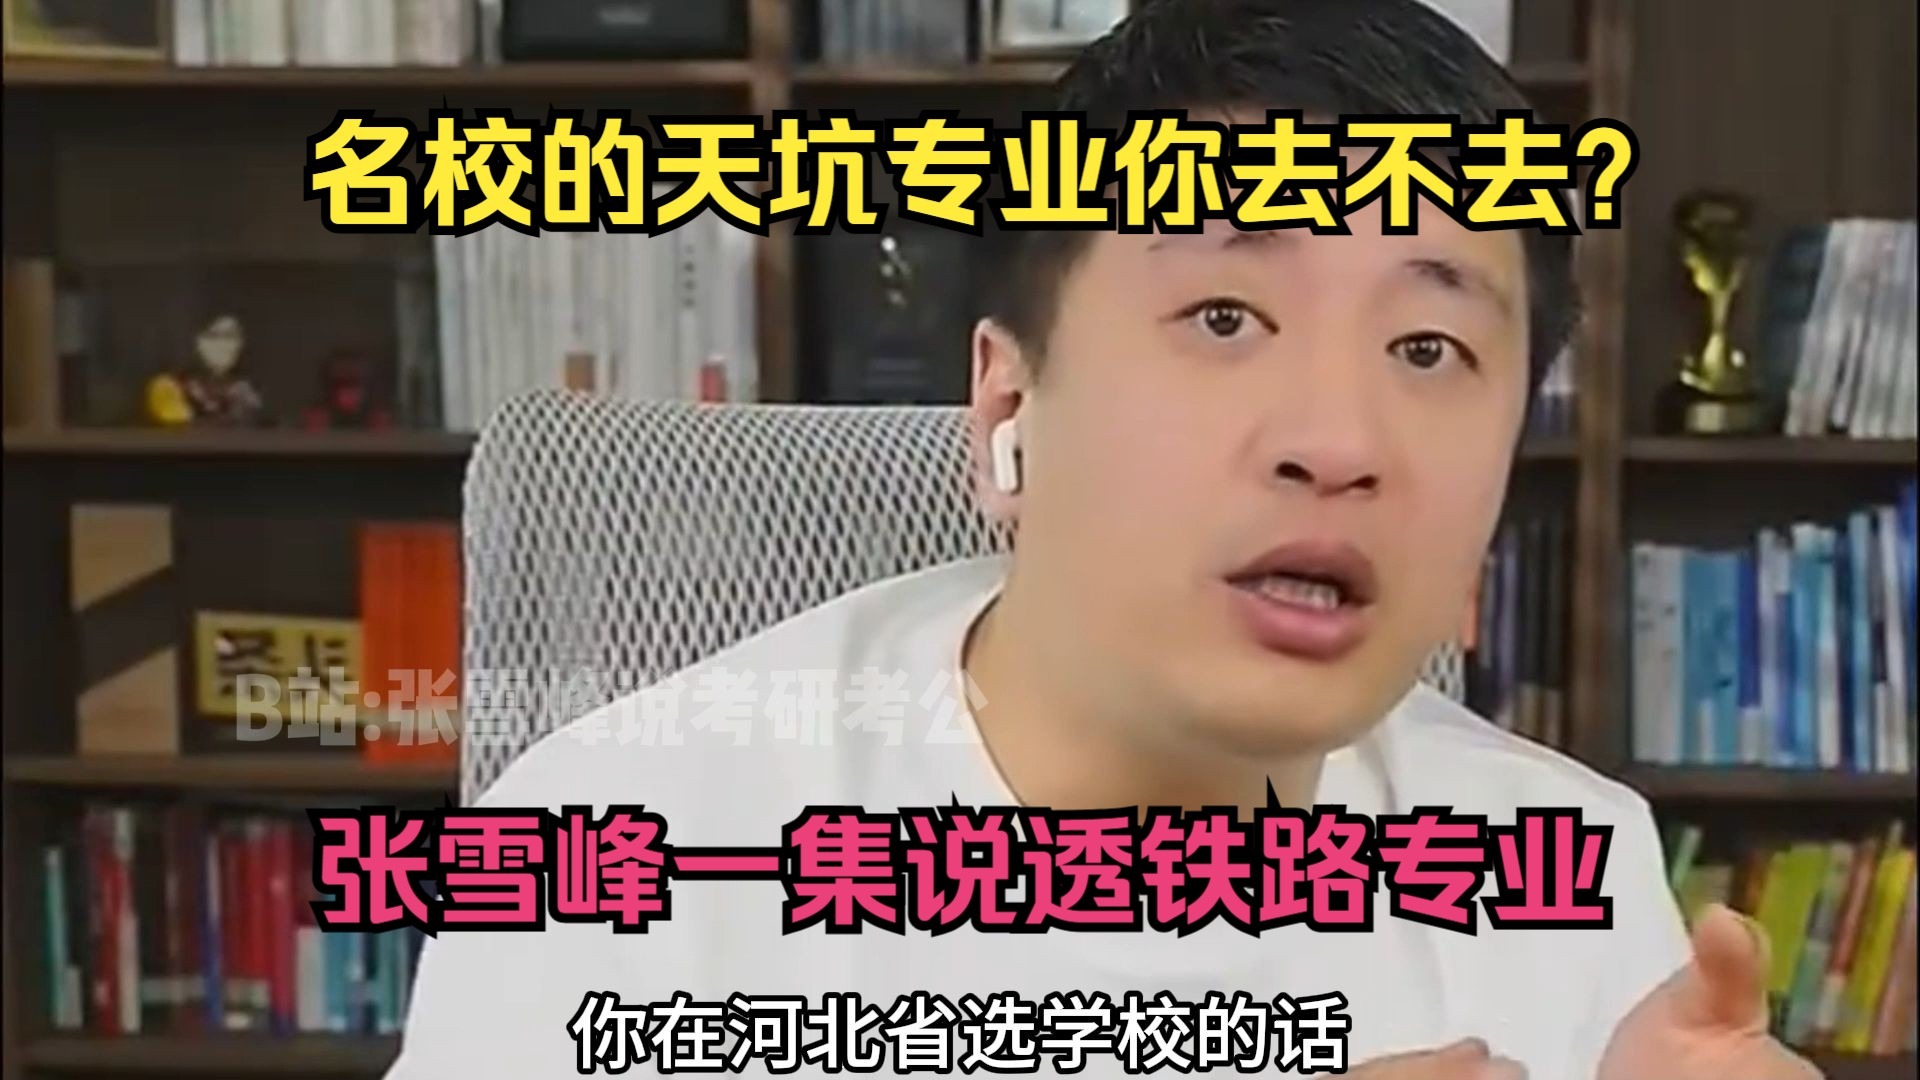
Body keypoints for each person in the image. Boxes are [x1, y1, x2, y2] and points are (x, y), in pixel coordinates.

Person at [387, 2, 1825, 1077]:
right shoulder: (624, 849)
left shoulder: (1560, 874)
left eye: (1430, 348)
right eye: (1225, 316)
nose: (1340, 438)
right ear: (1010, 404)